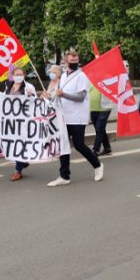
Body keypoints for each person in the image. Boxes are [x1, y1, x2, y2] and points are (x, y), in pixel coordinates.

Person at [47, 50, 103, 187]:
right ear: (65, 62)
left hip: (77, 117)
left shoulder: (82, 76)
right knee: (63, 145)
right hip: (64, 116)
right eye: (71, 61)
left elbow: (81, 97)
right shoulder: (64, 77)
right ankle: (64, 176)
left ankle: (97, 165)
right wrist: (48, 96)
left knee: (79, 144)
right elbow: (56, 95)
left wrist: (64, 95)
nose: (73, 62)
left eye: (76, 60)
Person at [3, 67, 37, 181]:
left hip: (24, 121)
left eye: (21, 74)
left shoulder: (29, 87)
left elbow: (35, 102)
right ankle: (23, 161)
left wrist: (30, 96)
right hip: (11, 120)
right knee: (13, 144)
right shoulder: (8, 86)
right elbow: (4, 100)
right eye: (16, 74)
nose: (18, 76)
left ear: (24, 75)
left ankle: (18, 170)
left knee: (19, 143)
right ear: (12, 75)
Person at [90, 85, 113, 156]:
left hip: (105, 108)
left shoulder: (107, 78)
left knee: (99, 128)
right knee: (100, 129)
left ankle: (95, 149)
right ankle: (107, 148)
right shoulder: (90, 78)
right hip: (93, 108)